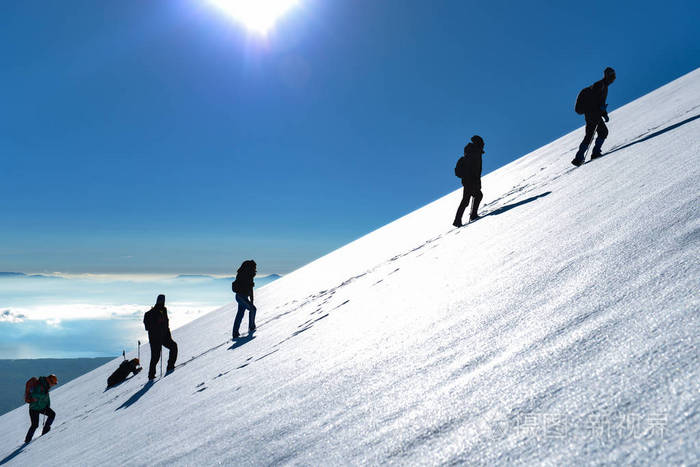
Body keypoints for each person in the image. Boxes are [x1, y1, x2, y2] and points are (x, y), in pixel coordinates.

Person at [572, 67, 616, 166]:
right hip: (593, 114)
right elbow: (596, 101)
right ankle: (595, 153)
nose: (614, 79)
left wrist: (604, 113)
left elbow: (600, 102)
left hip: (591, 114)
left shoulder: (603, 86)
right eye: (613, 76)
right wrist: (601, 111)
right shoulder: (600, 85)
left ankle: (578, 158)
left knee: (590, 135)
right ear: (608, 76)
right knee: (603, 132)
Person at [453, 135, 485, 227]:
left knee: (473, 197)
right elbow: (473, 169)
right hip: (470, 181)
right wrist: (474, 180)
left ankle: (459, 220)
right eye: (482, 143)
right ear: (479, 143)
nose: (483, 145)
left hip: (469, 180)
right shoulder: (474, 153)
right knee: (470, 198)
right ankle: (465, 218)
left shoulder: (474, 152)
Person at [143, 294, 178, 379]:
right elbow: (148, 327)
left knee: (173, 346)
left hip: (164, 337)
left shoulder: (164, 310)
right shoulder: (151, 313)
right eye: (161, 300)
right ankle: (151, 375)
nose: (162, 302)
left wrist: (168, 336)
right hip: (155, 339)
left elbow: (166, 325)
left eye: (162, 300)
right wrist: (156, 325)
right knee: (155, 357)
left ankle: (170, 366)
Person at [24, 374, 58, 443]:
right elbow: (34, 394)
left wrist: (47, 405)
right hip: (34, 408)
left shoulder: (46, 385)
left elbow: (46, 397)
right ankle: (27, 440)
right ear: (50, 381)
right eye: (53, 384)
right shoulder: (41, 385)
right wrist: (43, 395)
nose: (53, 385)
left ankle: (45, 430)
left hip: (41, 407)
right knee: (35, 425)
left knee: (52, 414)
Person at [231, 260, 257, 339]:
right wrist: (251, 301)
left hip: (241, 297)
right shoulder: (245, 275)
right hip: (241, 297)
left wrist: (252, 300)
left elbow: (250, 289)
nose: (255, 269)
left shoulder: (246, 275)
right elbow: (249, 288)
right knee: (253, 309)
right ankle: (251, 328)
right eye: (254, 267)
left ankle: (235, 333)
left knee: (240, 314)